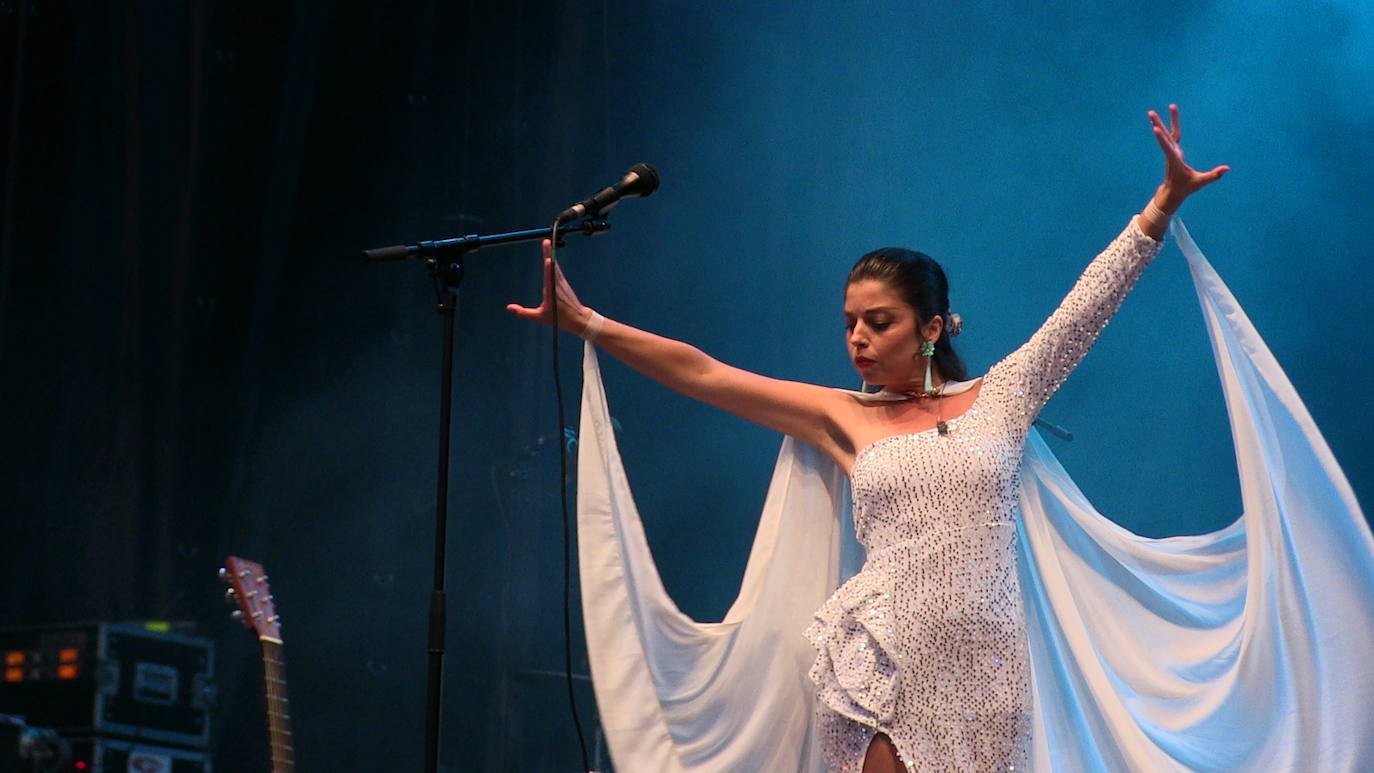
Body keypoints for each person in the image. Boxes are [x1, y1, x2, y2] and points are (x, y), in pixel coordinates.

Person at [508, 105, 1228, 772]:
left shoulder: (1002, 398)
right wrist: (591, 324)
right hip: (880, 661)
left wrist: (1162, 205)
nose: (857, 336)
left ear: (931, 327)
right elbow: (706, 374)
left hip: (987, 672)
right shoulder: (843, 415)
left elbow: (1084, 308)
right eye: (850, 322)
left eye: (879, 322)